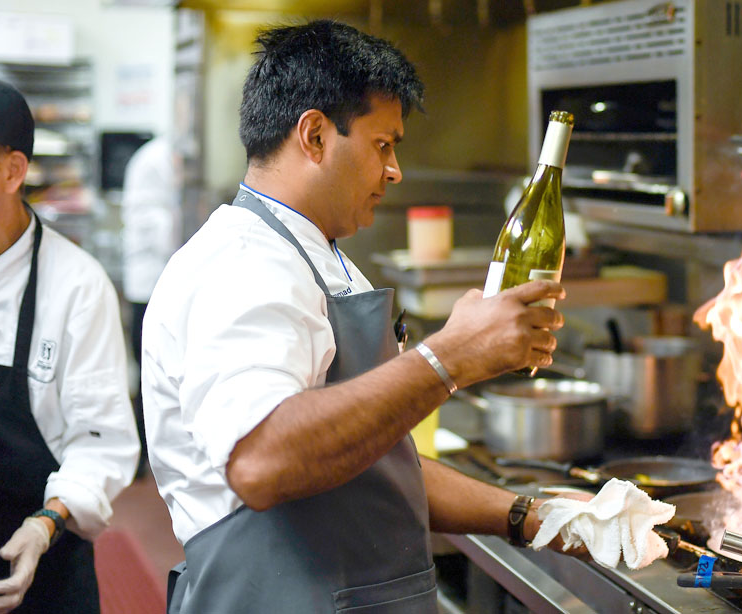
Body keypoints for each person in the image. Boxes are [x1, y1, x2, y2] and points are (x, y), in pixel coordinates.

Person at [143, 20, 577, 613]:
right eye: (383, 144)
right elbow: (261, 459)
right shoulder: (242, 264)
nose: (394, 170)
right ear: (316, 136)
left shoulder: (322, 258)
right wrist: (449, 357)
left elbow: (376, 463)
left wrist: (535, 517)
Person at [0, 73, 140, 613]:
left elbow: (101, 442)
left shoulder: (76, 287)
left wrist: (46, 525)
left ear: (13, 170)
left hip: (39, 567)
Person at [120, 135, 181, 475]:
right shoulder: (156, 160)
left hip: (149, 284)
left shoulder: (153, 158)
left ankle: (148, 454)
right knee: (150, 372)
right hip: (148, 286)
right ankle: (146, 454)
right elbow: (166, 236)